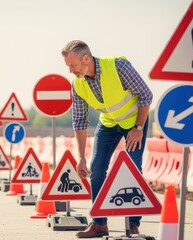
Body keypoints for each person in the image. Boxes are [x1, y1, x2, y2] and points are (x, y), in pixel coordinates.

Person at [61, 40, 153, 238]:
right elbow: (79, 121)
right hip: (109, 123)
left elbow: (146, 95)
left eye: (73, 65)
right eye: (68, 67)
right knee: (96, 168)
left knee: (133, 169)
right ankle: (99, 224)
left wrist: (138, 128)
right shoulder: (77, 84)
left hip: (134, 122)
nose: (71, 71)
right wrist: (81, 158)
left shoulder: (119, 67)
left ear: (85, 59)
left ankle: (133, 223)